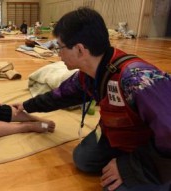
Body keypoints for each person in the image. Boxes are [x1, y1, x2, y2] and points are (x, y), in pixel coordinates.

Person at [13, 7, 171, 191]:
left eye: (60, 47)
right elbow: (60, 95)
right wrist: (25, 106)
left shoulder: (139, 79)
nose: (59, 54)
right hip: (120, 135)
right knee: (84, 159)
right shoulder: (88, 74)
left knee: (113, 187)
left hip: (156, 151)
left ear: (80, 49)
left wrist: (128, 168)